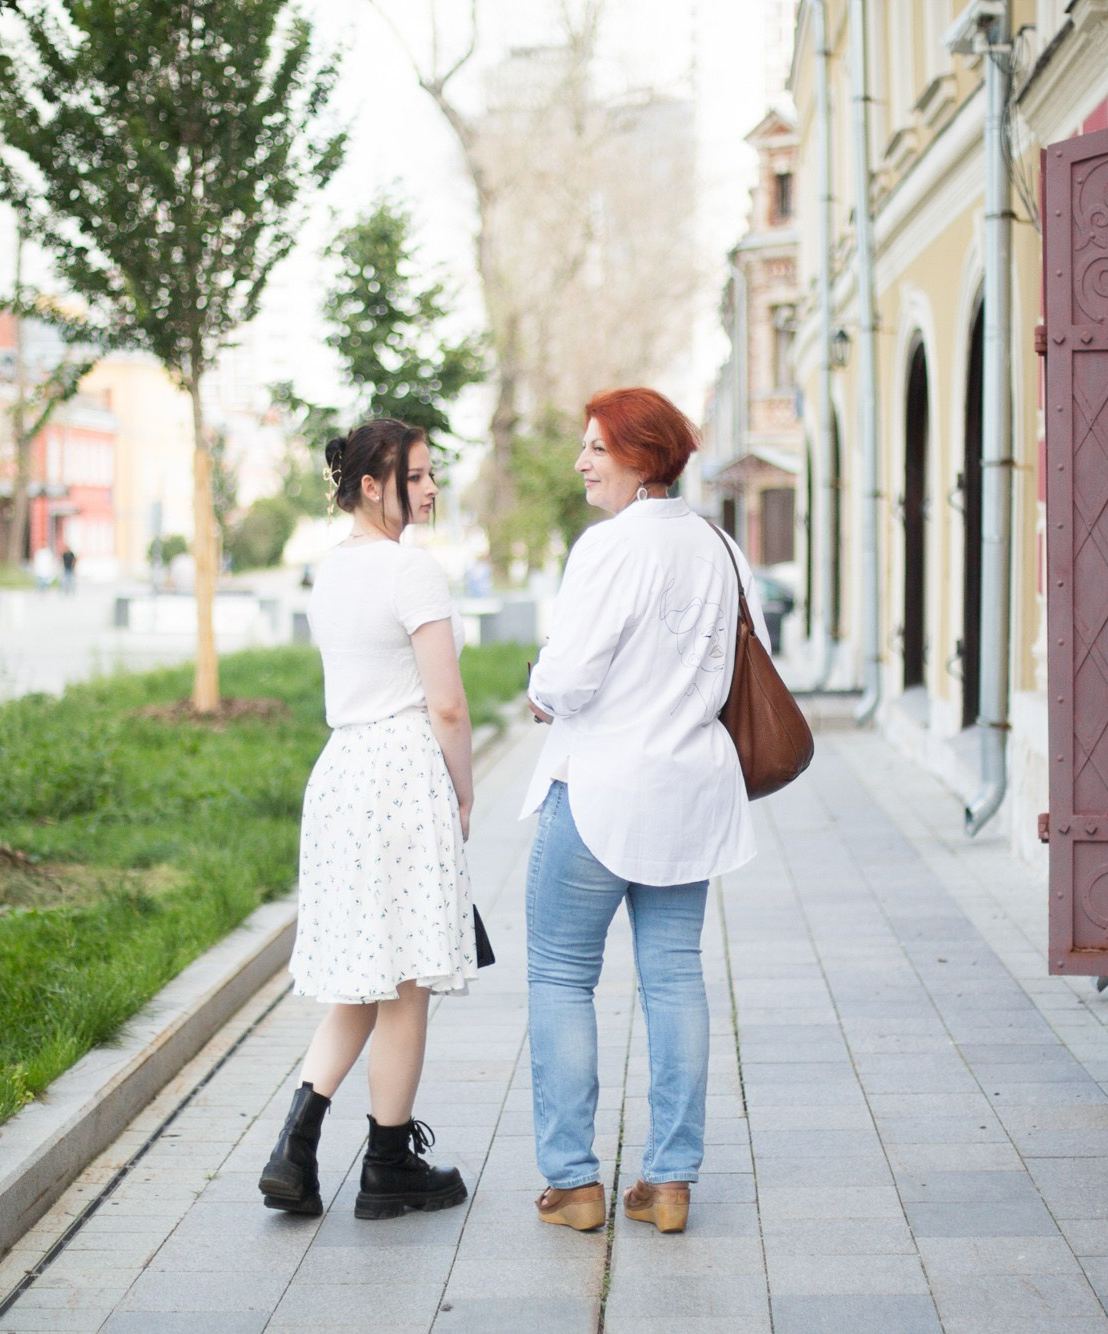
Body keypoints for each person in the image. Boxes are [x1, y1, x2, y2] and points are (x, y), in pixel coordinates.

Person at [521, 387, 766, 1236]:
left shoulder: (609, 548)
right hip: (688, 797)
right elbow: (748, 664)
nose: (583, 462)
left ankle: (574, 1183)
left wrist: (536, 686)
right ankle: (669, 1183)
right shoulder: (721, 546)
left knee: (560, 977)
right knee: (673, 980)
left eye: (596, 447)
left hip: (599, 791)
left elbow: (565, 680)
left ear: (640, 455)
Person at [261, 417, 479, 1221]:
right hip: (401, 772)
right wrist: (463, 793)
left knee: (361, 971)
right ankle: (388, 1166)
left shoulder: (329, 571)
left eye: (430, 475)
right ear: (370, 485)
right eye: (415, 476)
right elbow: (448, 705)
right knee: (406, 983)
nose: (428, 489)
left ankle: (296, 1147)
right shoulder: (410, 571)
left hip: (342, 774)